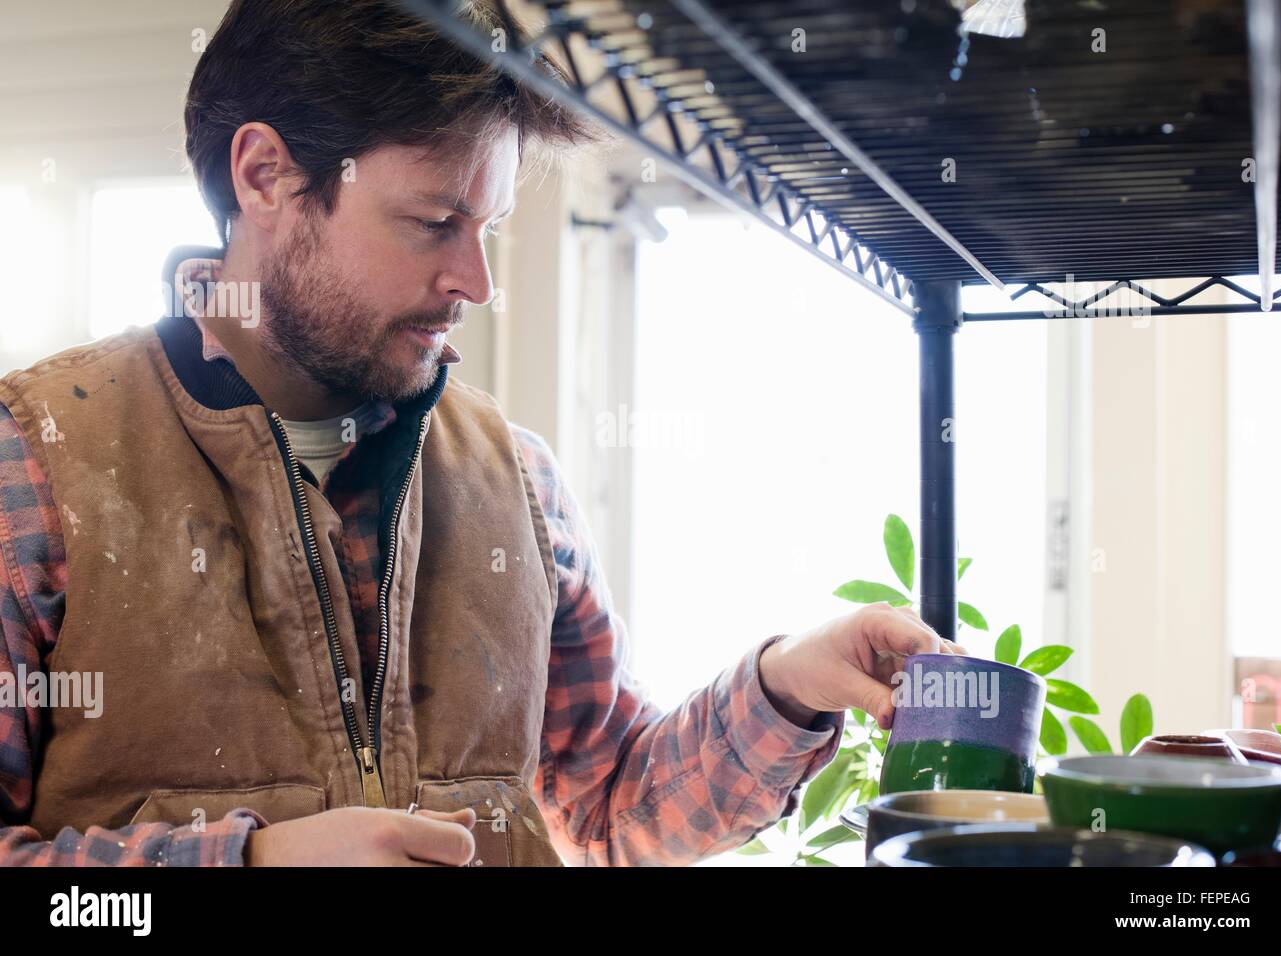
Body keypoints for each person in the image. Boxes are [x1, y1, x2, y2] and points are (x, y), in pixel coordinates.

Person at [0, 0, 962, 867]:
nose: (476, 281)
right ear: (265, 174)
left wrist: (789, 683)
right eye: (432, 221)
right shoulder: (35, 458)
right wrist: (246, 867)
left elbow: (610, 807)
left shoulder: (518, 478)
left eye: (488, 229)